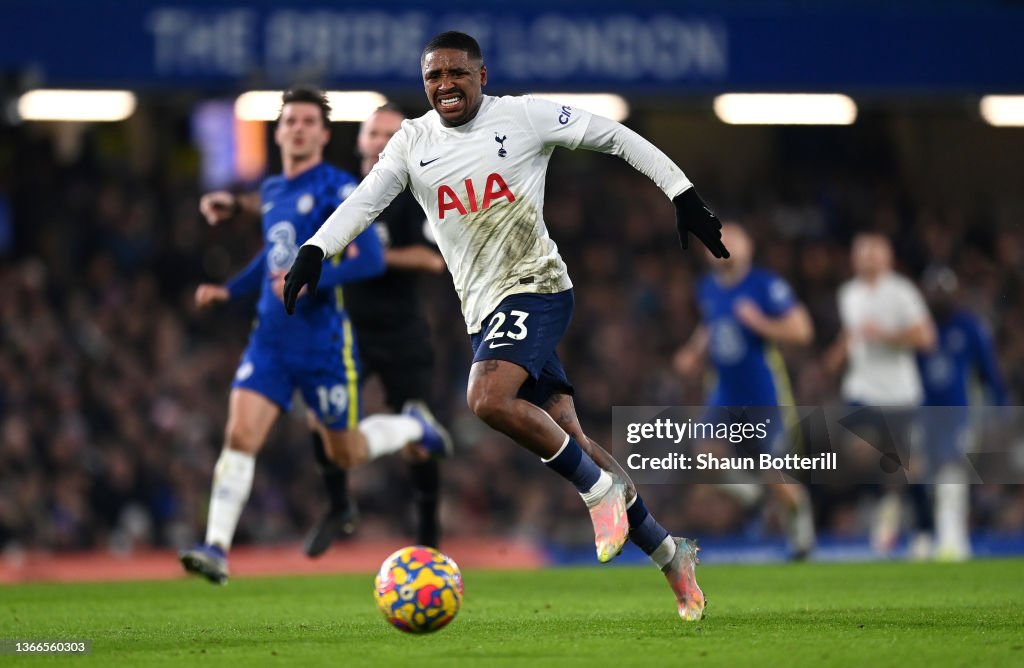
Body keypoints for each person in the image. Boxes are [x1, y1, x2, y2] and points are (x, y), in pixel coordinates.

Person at [283, 31, 729, 622]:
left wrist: (684, 195)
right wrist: (316, 249)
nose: (445, 85)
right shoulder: (412, 141)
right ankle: (672, 556)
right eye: (433, 77)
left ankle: (599, 495)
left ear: (481, 75)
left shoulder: (522, 117)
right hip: (484, 311)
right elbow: (366, 202)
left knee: (486, 397)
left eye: (456, 74)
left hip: (538, 287)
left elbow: (616, 137)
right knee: (572, 435)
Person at [180, 87, 450, 585]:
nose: (299, 128)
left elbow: (367, 259)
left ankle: (414, 428)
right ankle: (215, 547)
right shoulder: (271, 192)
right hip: (271, 339)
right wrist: (230, 290)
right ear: (279, 131)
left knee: (344, 451)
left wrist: (315, 279)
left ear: (325, 135)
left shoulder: (341, 187)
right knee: (240, 435)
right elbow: (274, 257)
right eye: (291, 121)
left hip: (326, 344)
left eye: (309, 121)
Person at [304, 103, 449, 557]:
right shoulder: (337, 197)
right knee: (319, 415)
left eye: (392, 133)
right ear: (360, 141)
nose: (381, 140)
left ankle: (428, 534)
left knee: (416, 437)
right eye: (374, 132)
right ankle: (339, 504)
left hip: (402, 330)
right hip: (347, 328)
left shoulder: (414, 194)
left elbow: (433, 259)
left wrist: (370, 258)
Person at [673, 223, 816, 558]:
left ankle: (801, 537)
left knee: (777, 479)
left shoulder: (766, 285)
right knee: (704, 457)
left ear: (749, 246)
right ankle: (751, 495)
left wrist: (761, 324)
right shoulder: (707, 287)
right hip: (725, 393)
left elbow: (803, 331)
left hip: (765, 394)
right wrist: (694, 351)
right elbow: (711, 324)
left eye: (731, 239)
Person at [825, 232, 936, 556]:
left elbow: (926, 337)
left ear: (887, 258)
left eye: (875, 253)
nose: (868, 259)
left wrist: (885, 337)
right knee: (858, 449)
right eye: (863, 253)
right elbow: (853, 331)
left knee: (911, 467)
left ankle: (924, 531)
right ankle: (885, 502)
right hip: (862, 390)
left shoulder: (902, 292)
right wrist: (837, 353)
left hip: (900, 393)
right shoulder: (848, 293)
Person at [917, 267, 1007, 560]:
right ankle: (929, 536)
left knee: (951, 473)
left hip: (959, 414)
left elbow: (989, 372)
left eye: (944, 291)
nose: (939, 297)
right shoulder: (919, 328)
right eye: (935, 291)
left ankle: (953, 541)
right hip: (922, 414)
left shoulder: (969, 327)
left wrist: (1001, 410)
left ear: (955, 293)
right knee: (925, 480)